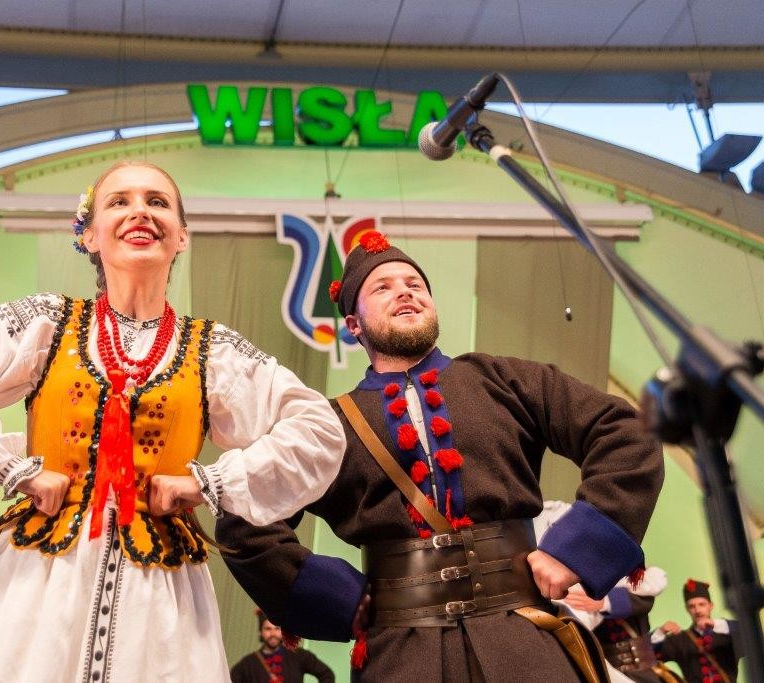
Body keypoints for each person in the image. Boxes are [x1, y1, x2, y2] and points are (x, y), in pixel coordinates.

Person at [0, 160, 345, 682]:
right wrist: (12, 468)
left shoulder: (213, 349)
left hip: (157, 589)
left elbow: (318, 429)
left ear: (182, 236)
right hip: (37, 583)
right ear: (89, 235)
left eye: (157, 202)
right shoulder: (48, 322)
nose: (139, 212)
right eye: (119, 201)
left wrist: (208, 482)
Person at [216, 232, 665, 681]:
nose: (405, 291)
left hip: (525, 642)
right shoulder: (327, 425)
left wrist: (577, 549)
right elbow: (242, 517)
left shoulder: (505, 379)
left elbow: (626, 431)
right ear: (354, 324)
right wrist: (333, 596)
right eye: (383, 287)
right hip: (401, 657)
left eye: (415, 284)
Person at [537, 501, 677, 682]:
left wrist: (604, 602)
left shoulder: (634, 581)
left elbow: (648, 593)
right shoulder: (577, 576)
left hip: (640, 672)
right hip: (596, 657)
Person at [652, 579, 741, 682]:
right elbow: (648, 655)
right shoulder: (679, 640)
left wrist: (716, 624)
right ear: (687, 609)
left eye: (702, 604)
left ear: (711, 606)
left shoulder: (726, 634)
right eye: (692, 606)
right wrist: (661, 632)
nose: (697, 610)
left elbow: (748, 634)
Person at [230, 610, 335, 683]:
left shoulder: (299, 655)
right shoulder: (247, 664)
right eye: (268, 629)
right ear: (260, 632)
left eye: (277, 628)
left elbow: (327, 674)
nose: (273, 633)